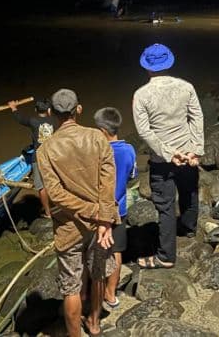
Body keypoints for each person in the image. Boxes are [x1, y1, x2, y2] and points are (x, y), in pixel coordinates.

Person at [37, 89, 118, 337]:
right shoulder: (97, 137)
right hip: (100, 225)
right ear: (78, 110)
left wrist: (91, 211)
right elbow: (108, 180)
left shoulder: (45, 150)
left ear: (51, 113)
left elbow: (56, 194)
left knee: (71, 287)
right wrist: (103, 217)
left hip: (68, 225)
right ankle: (94, 323)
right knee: (98, 274)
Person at [132, 43, 204, 269]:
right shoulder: (186, 87)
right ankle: (189, 229)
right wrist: (196, 149)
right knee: (189, 193)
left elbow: (145, 131)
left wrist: (167, 153)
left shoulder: (142, 95)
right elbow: (197, 118)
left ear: (147, 67)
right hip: (188, 154)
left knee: (165, 207)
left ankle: (165, 256)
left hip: (163, 160)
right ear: (170, 62)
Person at [93, 107, 137, 310]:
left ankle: (94, 296)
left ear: (102, 130)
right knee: (116, 251)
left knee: (98, 253)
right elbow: (131, 176)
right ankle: (111, 294)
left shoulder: (99, 152)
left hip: (101, 210)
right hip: (120, 209)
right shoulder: (129, 150)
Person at [9, 98, 54, 217]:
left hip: (38, 157)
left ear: (35, 110)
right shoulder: (55, 121)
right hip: (53, 156)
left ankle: (48, 213)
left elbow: (20, 119)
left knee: (41, 187)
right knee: (56, 182)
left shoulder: (33, 121)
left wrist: (13, 108)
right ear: (49, 110)